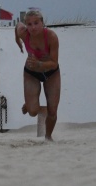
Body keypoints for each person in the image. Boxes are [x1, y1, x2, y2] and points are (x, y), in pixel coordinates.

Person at [15, 8, 61, 141]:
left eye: (36, 23)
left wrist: (39, 64)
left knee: (52, 111)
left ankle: (48, 136)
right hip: (31, 73)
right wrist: (17, 41)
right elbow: (17, 26)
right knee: (32, 111)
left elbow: (54, 63)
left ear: (42, 23)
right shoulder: (23, 33)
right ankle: (29, 104)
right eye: (29, 24)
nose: (33, 27)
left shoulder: (51, 37)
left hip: (51, 73)